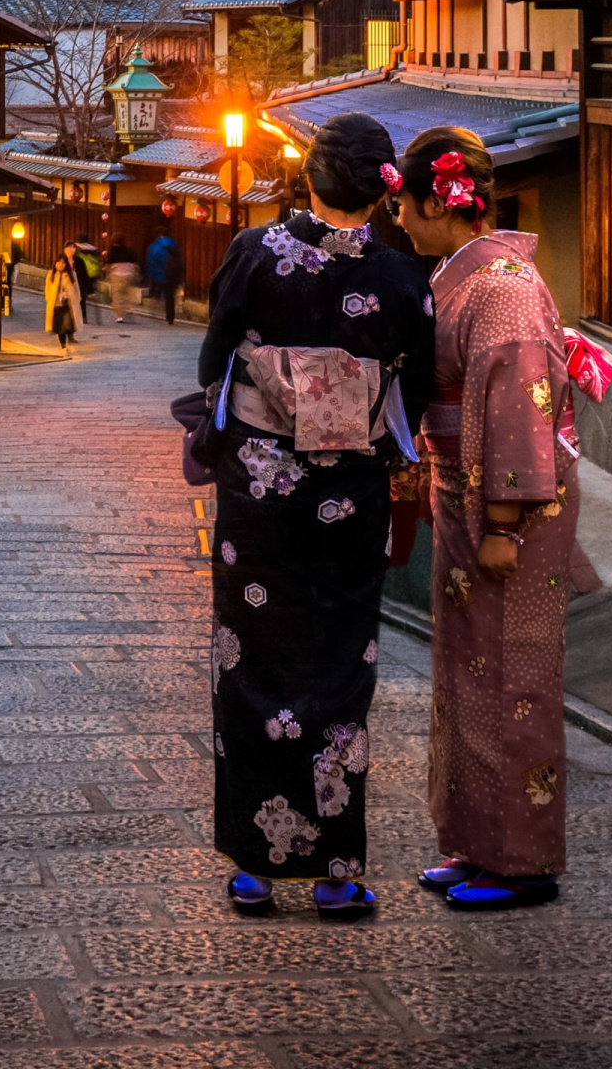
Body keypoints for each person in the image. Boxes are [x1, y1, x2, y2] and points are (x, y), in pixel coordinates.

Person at [194, 112, 432, 919]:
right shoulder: (403, 280)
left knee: (250, 658)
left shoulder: (253, 253)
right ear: (381, 188)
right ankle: (337, 871)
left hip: (260, 492)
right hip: (349, 498)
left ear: (309, 176)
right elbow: (416, 390)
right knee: (338, 667)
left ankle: (255, 868)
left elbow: (215, 356)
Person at [394, 128, 602, 910]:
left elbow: (519, 411)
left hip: (507, 505)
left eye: (404, 208)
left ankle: (520, 860)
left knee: (512, 674)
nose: (400, 224)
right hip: (465, 492)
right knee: (467, 667)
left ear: (435, 203)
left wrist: (504, 524)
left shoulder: (502, 289)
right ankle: (475, 840)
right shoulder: (463, 276)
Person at [144, 226, 183, 325]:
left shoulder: (155, 246)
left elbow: (151, 262)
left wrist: (151, 276)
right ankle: (170, 317)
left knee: (160, 293)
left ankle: (154, 309)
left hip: (160, 275)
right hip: (173, 274)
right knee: (170, 296)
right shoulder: (175, 244)